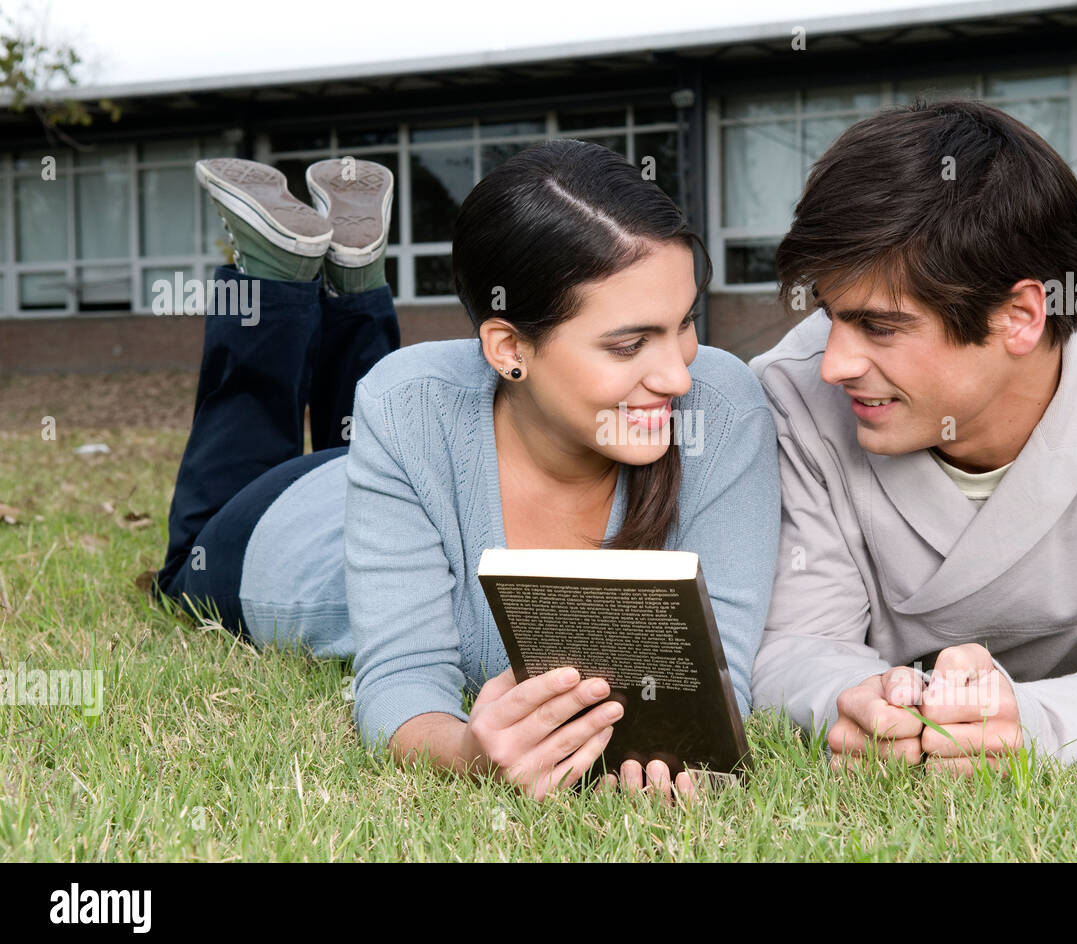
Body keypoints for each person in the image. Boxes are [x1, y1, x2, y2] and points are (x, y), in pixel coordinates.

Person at [152, 141, 780, 802]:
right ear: (508, 347)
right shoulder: (408, 408)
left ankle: (355, 278)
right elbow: (401, 675)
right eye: (628, 344)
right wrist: (467, 750)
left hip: (407, 458)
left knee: (392, 405)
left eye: (684, 324)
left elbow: (718, 672)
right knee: (232, 467)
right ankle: (275, 273)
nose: (678, 375)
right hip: (285, 525)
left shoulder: (723, 406)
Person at [748, 99, 1077, 774]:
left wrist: (1034, 722)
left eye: (879, 326)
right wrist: (848, 699)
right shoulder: (791, 392)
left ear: (1021, 316)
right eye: (830, 317)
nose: (833, 364)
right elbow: (795, 642)